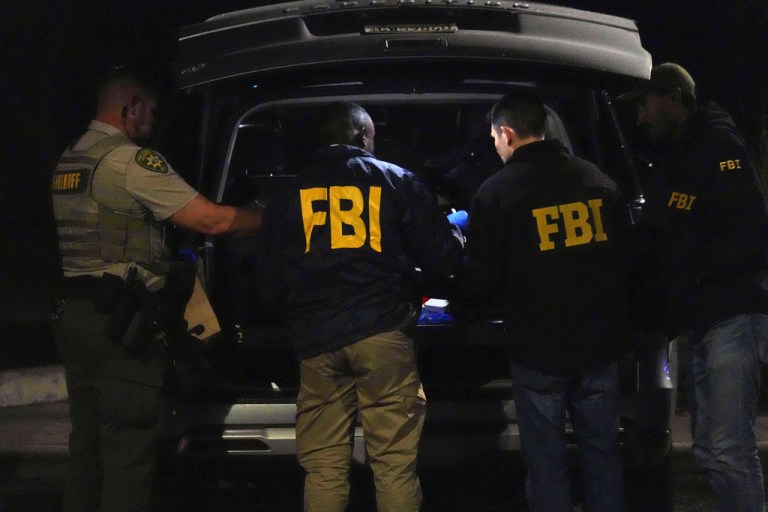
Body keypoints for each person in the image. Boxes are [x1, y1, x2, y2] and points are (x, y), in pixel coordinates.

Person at [50, 66, 262, 512]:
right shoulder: (129, 161)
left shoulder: (72, 159)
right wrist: (277, 219)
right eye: (150, 110)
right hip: (121, 322)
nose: (152, 120)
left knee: (87, 446)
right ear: (131, 107)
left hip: (78, 316)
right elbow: (211, 221)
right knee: (128, 448)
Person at [258, 101, 464, 512]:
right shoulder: (396, 180)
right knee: (393, 466)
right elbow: (444, 258)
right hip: (382, 333)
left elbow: (269, 279)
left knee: (323, 469)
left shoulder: (287, 195)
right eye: (372, 135)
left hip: (316, 339)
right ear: (360, 135)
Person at [459, 91, 633, 512]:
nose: (495, 147)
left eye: (494, 138)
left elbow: (480, 278)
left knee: (546, 462)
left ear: (507, 133)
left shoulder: (497, 192)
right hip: (599, 344)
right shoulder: (597, 180)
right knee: (603, 455)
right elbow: (628, 260)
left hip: (538, 350)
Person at [618, 62, 768, 512]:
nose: (641, 117)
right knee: (710, 451)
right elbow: (662, 231)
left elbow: (748, 236)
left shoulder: (719, 147)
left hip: (730, 315)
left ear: (673, 99)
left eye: (645, 104)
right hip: (704, 317)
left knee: (727, 451)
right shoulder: (680, 154)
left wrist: (691, 274)